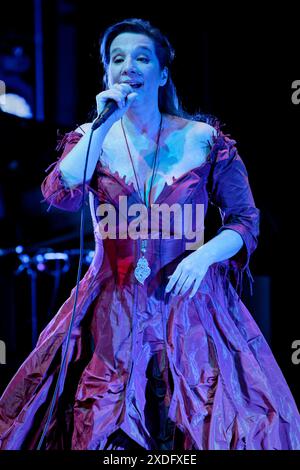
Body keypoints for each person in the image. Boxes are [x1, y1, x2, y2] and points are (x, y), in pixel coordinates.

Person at [0, 18, 300, 451]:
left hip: (192, 308)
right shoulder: (91, 139)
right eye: (117, 59)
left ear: (162, 73)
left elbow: (245, 221)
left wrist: (203, 257)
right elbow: (60, 192)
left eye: (142, 57)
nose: (128, 67)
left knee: (199, 421)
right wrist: (102, 124)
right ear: (106, 73)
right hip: (110, 306)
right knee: (99, 421)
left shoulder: (203, 139)